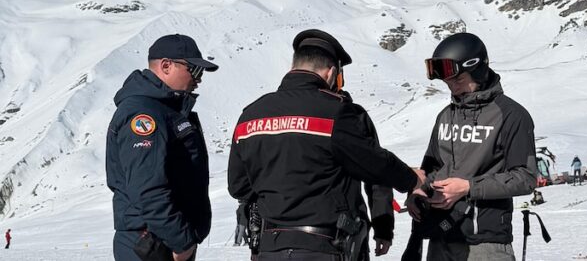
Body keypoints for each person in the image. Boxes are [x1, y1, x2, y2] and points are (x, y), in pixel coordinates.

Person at [228, 29, 426, 260]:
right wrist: (412, 180)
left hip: (269, 247)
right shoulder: (336, 113)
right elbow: (375, 164)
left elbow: (238, 187)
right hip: (325, 245)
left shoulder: (250, 115)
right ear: (332, 73)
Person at [409, 32, 537, 261]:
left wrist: (468, 187)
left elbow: (525, 178)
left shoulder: (511, 115)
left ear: (478, 69)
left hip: (486, 243)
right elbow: (432, 168)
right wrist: (420, 190)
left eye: (458, 79)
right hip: (441, 237)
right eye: (448, 81)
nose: (452, 87)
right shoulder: (445, 117)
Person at [106, 33, 219, 261]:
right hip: (150, 244)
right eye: (194, 70)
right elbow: (147, 189)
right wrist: (181, 241)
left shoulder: (165, 110)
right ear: (166, 66)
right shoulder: (145, 114)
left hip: (163, 241)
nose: (199, 79)